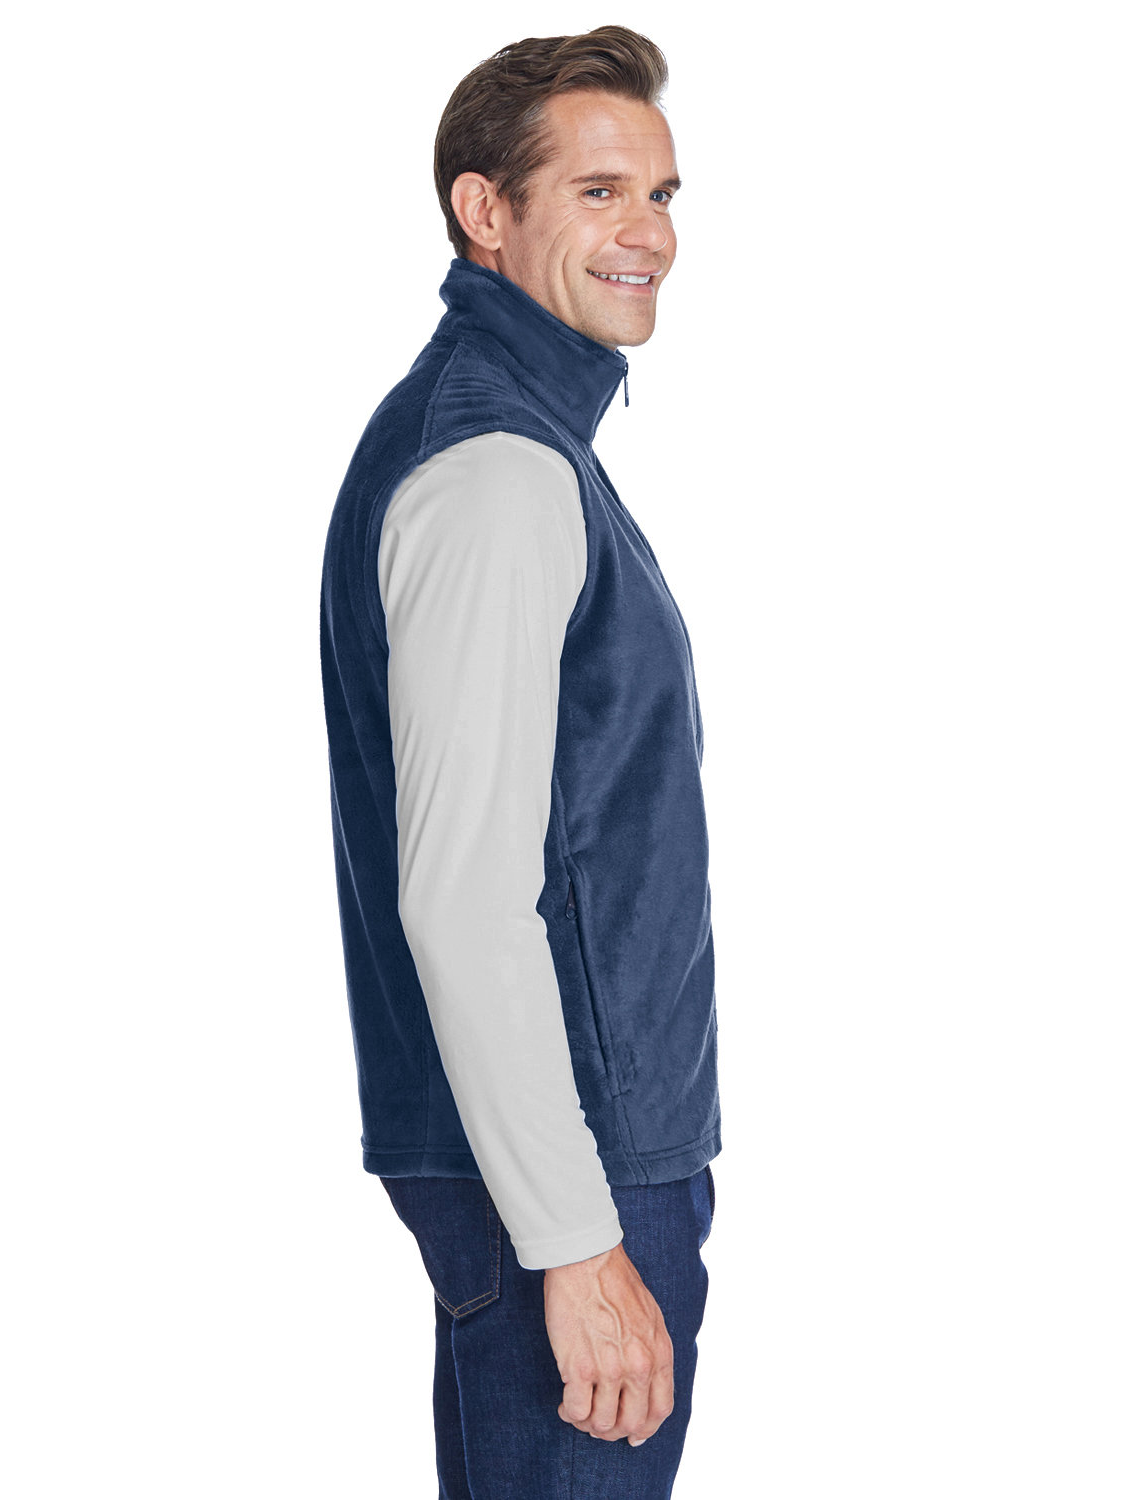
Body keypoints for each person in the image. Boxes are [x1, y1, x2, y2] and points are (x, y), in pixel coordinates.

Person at [319, 25, 720, 1498]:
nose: (648, 234)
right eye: (600, 192)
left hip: (571, 1160)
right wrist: (577, 1240)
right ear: (484, 211)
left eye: (661, 194)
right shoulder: (495, 468)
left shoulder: (522, 442)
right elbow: (464, 898)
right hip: (566, 1175)